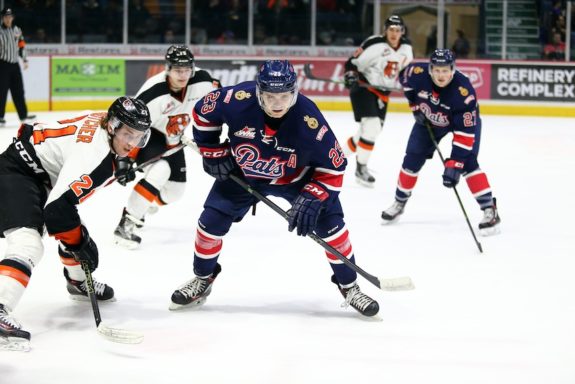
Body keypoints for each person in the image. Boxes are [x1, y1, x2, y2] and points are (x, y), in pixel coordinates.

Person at [170, 59, 379, 317]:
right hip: (244, 173)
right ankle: (203, 279)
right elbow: (203, 111)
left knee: (332, 230)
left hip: (297, 180)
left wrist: (313, 197)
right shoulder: (237, 98)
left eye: (284, 96)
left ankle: (350, 287)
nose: (277, 104)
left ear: (294, 93)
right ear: (258, 92)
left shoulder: (308, 119)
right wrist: (211, 150)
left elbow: (334, 167)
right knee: (209, 223)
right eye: (269, 97)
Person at [0, 96, 152, 350]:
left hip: (36, 171)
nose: (132, 143)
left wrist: (121, 162)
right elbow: (56, 213)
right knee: (30, 243)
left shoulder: (105, 127)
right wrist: (79, 242)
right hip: (18, 173)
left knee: (71, 229)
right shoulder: (94, 156)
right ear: (113, 126)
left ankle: (78, 282)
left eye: (138, 136)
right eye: (128, 134)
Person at [380, 49, 501, 236]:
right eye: (437, 70)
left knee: (468, 162)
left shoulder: (463, 92)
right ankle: (399, 202)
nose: (441, 75)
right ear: (430, 69)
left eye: (445, 70)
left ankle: (489, 210)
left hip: (460, 125)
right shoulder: (416, 74)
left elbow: (465, 135)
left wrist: (455, 163)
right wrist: (415, 108)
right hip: (430, 119)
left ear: (452, 69)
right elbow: (406, 83)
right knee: (411, 159)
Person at [113, 45, 219, 249]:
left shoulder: (203, 81)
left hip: (174, 138)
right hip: (148, 135)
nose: (183, 74)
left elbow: (222, 100)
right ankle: (127, 223)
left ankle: (143, 204)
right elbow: (129, 127)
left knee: (175, 192)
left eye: (187, 69)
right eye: (178, 70)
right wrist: (123, 158)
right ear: (168, 68)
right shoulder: (153, 92)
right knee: (160, 170)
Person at [343, 14, 413, 187]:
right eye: (391, 29)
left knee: (367, 133)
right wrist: (351, 75)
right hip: (364, 87)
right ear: (385, 30)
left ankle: (337, 157)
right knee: (372, 127)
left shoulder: (406, 48)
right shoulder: (374, 44)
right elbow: (352, 63)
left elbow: (403, 70)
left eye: (397, 30)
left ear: (402, 32)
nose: (394, 33)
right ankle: (361, 169)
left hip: (383, 93)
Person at [0, 7, 35, 127]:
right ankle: (0, 117)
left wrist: (24, 59)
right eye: (6, 17)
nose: (8, 19)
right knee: (1, 91)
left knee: (19, 91)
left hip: (15, 65)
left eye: (10, 17)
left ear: (12, 18)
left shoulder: (17, 30)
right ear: (2, 18)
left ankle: (23, 116)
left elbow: (21, 45)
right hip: (2, 64)